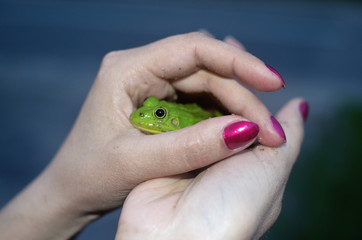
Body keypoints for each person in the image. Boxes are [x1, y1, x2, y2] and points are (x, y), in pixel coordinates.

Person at [0, 32, 308, 240]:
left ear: (168, 117)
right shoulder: (150, 113)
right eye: (151, 109)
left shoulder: (184, 120)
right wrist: (66, 196)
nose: (145, 116)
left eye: (157, 113)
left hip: (208, 121)